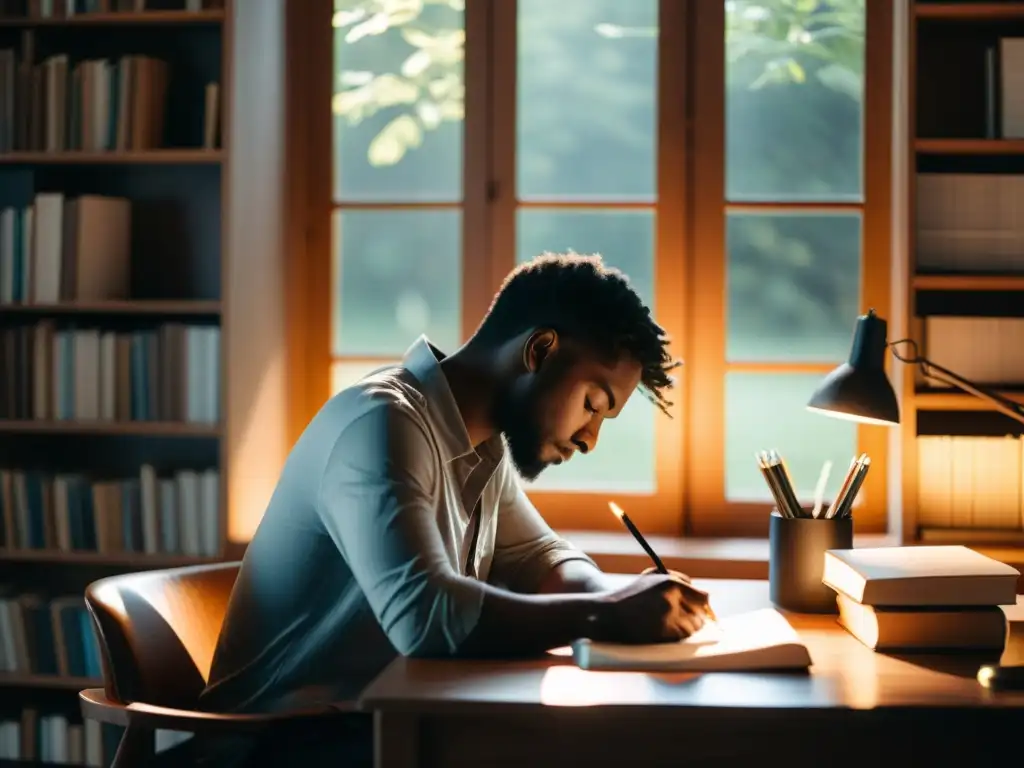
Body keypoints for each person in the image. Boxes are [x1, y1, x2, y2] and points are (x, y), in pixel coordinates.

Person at [193, 252, 712, 766]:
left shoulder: (481, 448)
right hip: (268, 746)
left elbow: (541, 557)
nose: (590, 439)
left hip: (372, 728)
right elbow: (424, 616)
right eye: (593, 405)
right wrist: (608, 615)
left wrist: (626, 595)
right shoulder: (381, 424)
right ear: (540, 350)